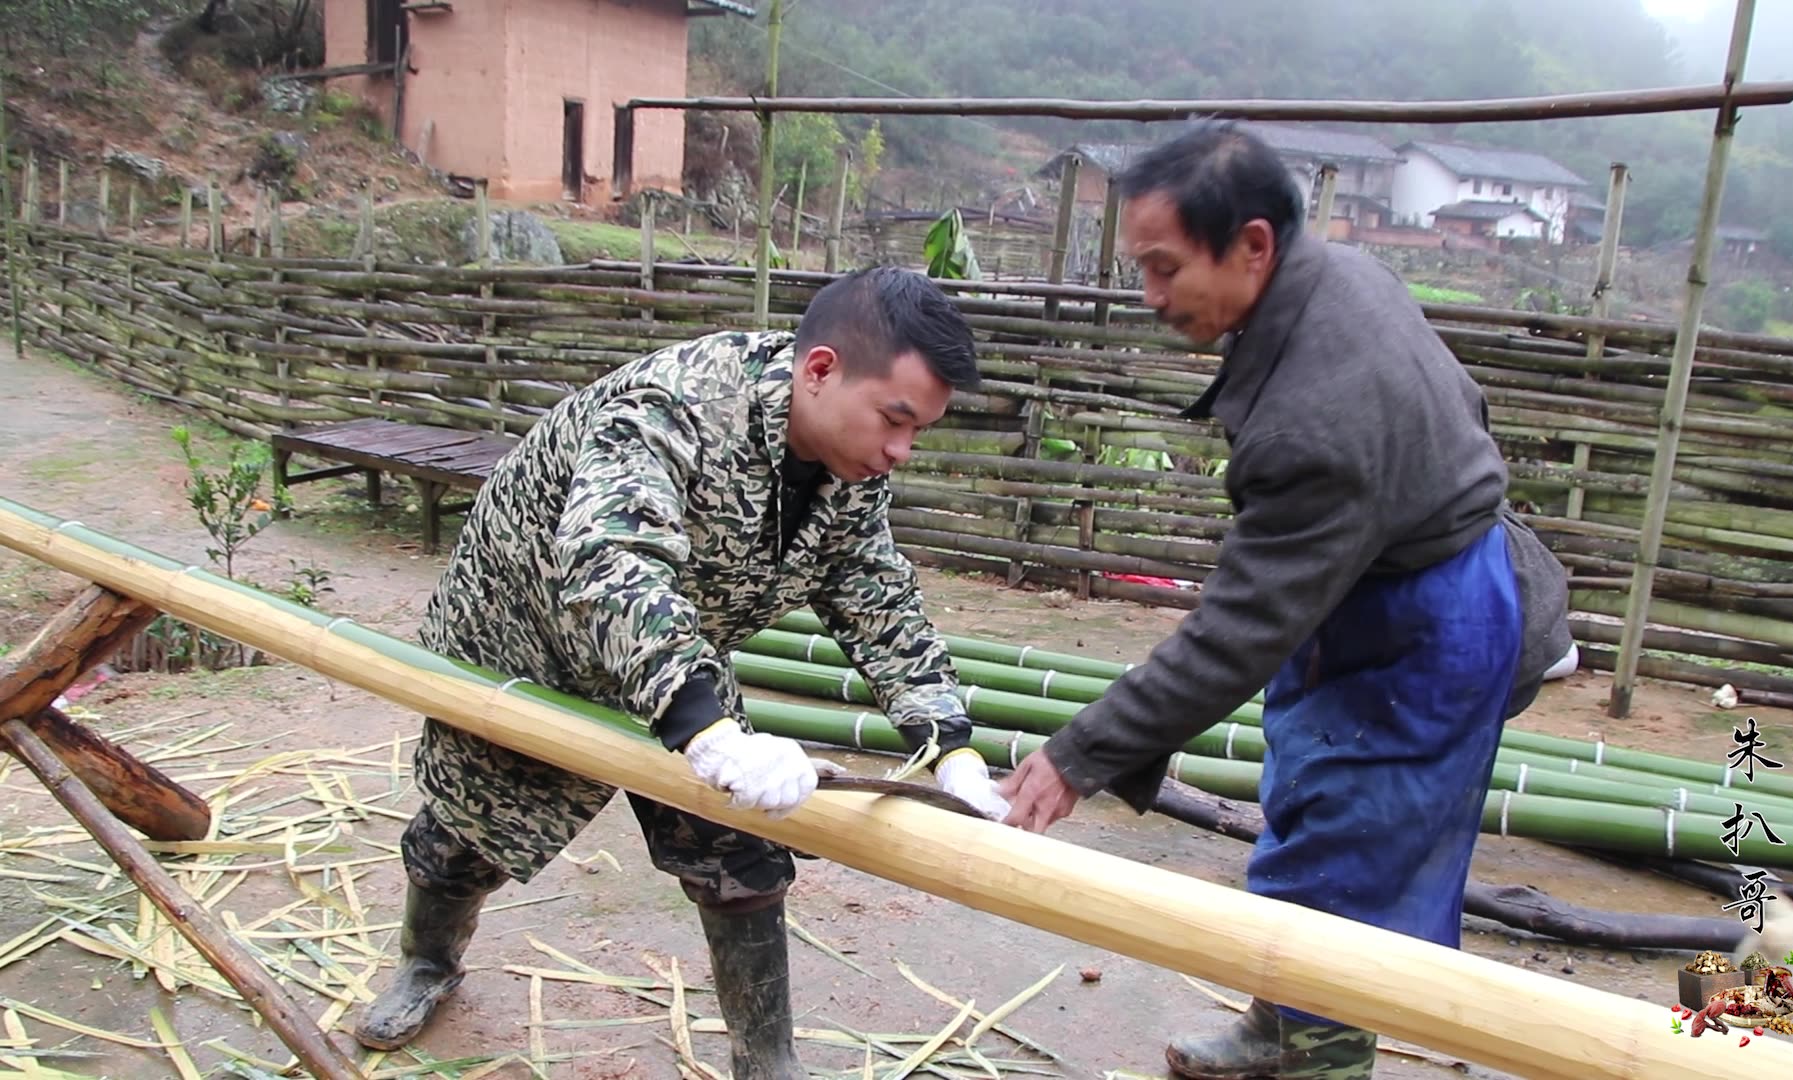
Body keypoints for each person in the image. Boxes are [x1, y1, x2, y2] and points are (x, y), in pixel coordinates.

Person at [995, 122, 1573, 1080]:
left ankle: (1318, 1062)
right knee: (1310, 807)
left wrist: (1077, 756)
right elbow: (1464, 406)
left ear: (1253, 244)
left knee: (1341, 863)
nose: (1149, 296)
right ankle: (1281, 1030)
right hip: (1388, 586)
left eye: (1165, 268)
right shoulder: (1336, 279)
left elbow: (1236, 633)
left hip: (1426, 625)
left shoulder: (1320, 419)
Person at [354, 266, 1011, 1078]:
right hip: (529, 646)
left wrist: (948, 743)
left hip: (672, 652)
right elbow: (608, 559)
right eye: (895, 421)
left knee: (740, 855)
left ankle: (764, 1062)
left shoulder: (849, 473)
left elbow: (874, 591)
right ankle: (429, 961)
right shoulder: (677, 405)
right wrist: (707, 728)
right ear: (820, 370)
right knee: (465, 834)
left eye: (920, 432)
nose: (900, 451)